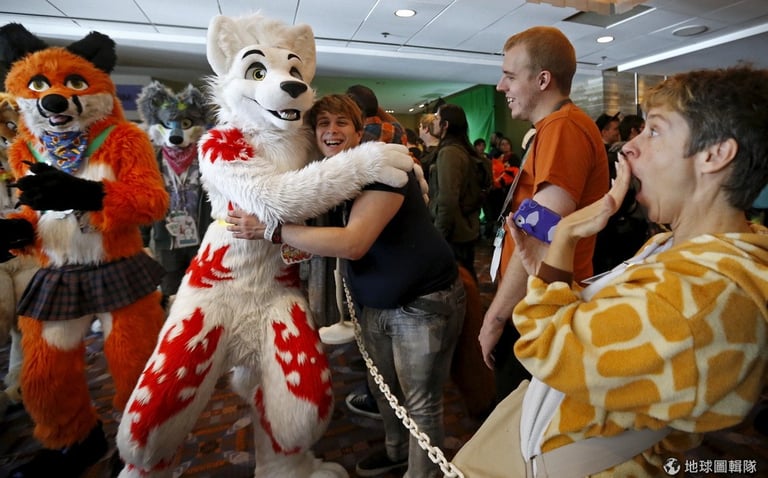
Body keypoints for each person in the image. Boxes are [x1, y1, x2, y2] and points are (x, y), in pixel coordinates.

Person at [454, 65, 768, 477]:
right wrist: (552, 273)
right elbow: (613, 324)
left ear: (715, 155)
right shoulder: (680, 247)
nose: (629, 148)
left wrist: (564, 238)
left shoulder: (704, 292)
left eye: (654, 131)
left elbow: (547, 348)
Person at [228, 94, 465, 478]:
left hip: (423, 300)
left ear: (359, 132)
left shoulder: (382, 168)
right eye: (323, 123)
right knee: (384, 390)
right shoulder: (332, 176)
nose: (331, 130)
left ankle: (422, 473)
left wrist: (271, 230)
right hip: (376, 302)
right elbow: (317, 238)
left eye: (341, 122)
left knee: (420, 402)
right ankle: (396, 452)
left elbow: (353, 243)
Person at [479, 26, 609, 401]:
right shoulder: (556, 126)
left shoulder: (563, 127)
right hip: (536, 302)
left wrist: (496, 317)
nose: (501, 86)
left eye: (509, 76)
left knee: (521, 418)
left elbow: (540, 233)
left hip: (540, 309)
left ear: (542, 80)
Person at [429, 103, 491, 281]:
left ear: (445, 125)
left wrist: (439, 234)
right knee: (465, 275)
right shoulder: (462, 150)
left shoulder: (450, 152)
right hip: (464, 229)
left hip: (454, 232)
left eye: (437, 118)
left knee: (460, 279)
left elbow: (447, 199)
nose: (433, 122)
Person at [418, 113, 440, 183]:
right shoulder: (438, 150)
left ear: (426, 129)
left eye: (420, 126)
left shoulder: (436, 153)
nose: (419, 129)